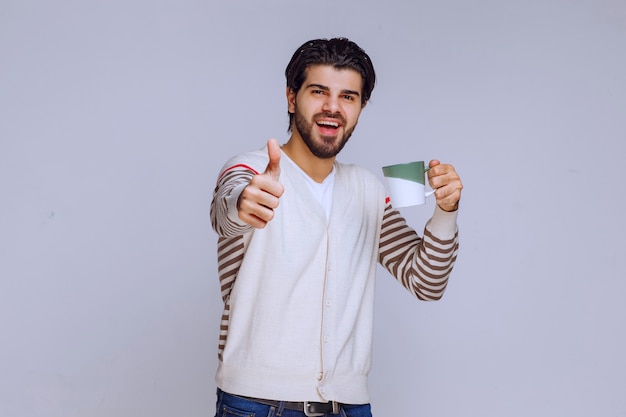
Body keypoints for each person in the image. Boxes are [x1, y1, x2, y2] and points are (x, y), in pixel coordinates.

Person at [210, 37, 462, 417]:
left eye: (348, 97)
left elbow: (427, 282)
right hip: (257, 404)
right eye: (318, 91)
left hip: (349, 406)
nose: (333, 107)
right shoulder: (250, 169)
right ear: (291, 98)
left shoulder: (367, 190)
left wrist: (446, 210)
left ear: (361, 107)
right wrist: (244, 203)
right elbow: (227, 207)